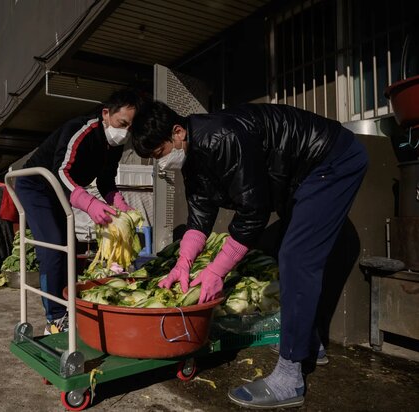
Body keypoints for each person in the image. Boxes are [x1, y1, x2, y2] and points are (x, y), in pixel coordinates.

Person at [131, 101, 368, 409]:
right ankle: (309, 343)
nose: (159, 163)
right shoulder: (192, 153)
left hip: (332, 160)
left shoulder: (221, 137)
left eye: (158, 153)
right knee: (293, 251)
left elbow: (253, 212)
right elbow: (201, 214)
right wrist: (183, 263)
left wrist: (217, 272)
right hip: (299, 175)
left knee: (296, 256)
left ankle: (290, 377)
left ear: (177, 133)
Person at [15, 89, 145, 335]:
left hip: (61, 192)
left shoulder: (114, 144)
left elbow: (106, 180)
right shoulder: (80, 130)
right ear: (106, 114)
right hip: (37, 186)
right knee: (53, 249)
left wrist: (120, 204)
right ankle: (54, 318)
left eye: (131, 127)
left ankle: (69, 304)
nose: (125, 132)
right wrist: (89, 203)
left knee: (70, 248)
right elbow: (61, 171)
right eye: (122, 124)